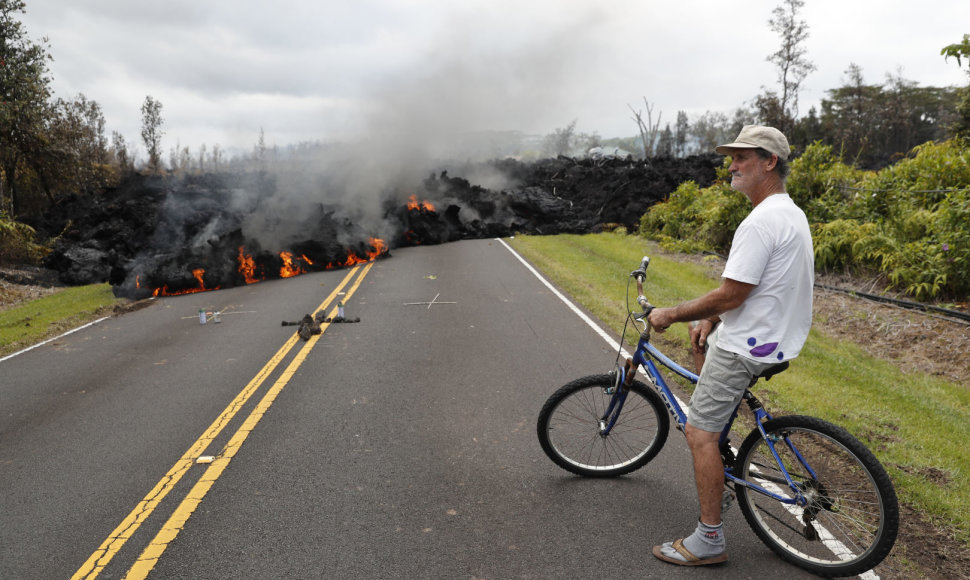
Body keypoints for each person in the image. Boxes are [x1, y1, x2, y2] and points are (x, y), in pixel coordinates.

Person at [647, 125, 814, 567]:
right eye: (731, 157)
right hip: (775, 335)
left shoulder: (760, 221)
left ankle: (708, 540)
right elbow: (758, 288)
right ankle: (719, 466)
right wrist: (709, 317)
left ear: (769, 162)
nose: (732, 165)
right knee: (702, 344)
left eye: (742, 157)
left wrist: (669, 313)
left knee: (698, 432)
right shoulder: (789, 212)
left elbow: (732, 293)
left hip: (748, 344)